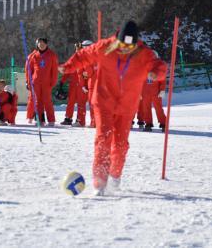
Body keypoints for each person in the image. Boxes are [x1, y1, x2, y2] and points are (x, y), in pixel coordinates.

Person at [59, 20, 167, 196]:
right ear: (118, 39)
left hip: (127, 105)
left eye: (129, 45)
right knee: (103, 138)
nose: (125, 48)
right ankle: (99, 182)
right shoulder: (106, 46)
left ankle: (115, 176)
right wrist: (69, 66)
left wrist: (156, 73)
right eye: (123, 44)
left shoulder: (142, 53)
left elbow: (159, 65)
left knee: (121, 143)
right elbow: (84, 55)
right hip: (104, 101)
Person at [25, 37, 59, 126]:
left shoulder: (52, 55)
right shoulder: (32, 56)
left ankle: (51, 120)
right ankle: (39, 119)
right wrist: (28, 82)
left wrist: (53, 81)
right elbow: (29, 70)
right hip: (35, 82)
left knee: (47, 101)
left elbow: (54, 70)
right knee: (36, 101)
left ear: (46, 44)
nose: (41, 45)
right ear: (37, 44)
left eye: (43, 43)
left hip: (46, 82)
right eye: (39, 43)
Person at [60, 42, 87, 127]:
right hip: (73, 84)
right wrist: (62, 81)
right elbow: (67, 71)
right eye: (76, 48)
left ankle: (80, 119)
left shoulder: (86, 59)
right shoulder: (74, 58)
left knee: (81, 103)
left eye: (79, 48)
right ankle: (68, 118)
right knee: (70, 102)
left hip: (81, 85)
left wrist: (86, 84)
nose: (78, 50)